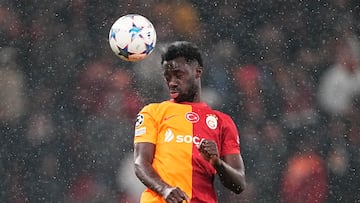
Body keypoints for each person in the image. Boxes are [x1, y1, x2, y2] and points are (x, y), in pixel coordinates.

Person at [133, 41, 246, 203]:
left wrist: (217, 162)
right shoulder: (152, 112)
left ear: (197, 72)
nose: (172, 82)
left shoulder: (222, 122)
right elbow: (140, 163)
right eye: (167, 77)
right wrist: (164, 189)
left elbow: (239, 184)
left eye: (178, 75)